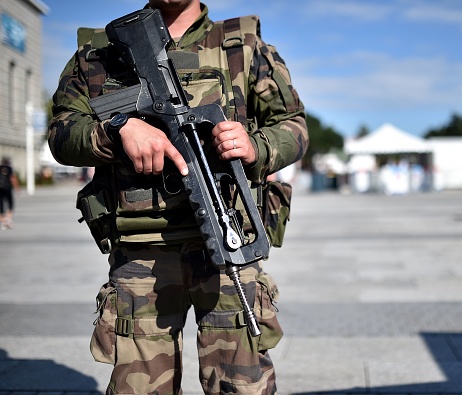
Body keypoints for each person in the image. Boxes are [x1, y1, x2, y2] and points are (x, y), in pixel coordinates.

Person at [48, 1, 308, 394]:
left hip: (227, 243)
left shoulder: (244, 44)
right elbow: (62, 131)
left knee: (242, 387)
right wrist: (118, 130)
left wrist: (257, 146)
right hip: (142, 255)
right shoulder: (99, 51)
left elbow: (293, 124)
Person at [0, 156, 18, 230]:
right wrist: (17, 187)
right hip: (8, 188)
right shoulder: (10, 168)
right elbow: (12, 178)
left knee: (0, 206)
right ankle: (8, 220)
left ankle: (4, 221)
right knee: (10, 204)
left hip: (0, 189)